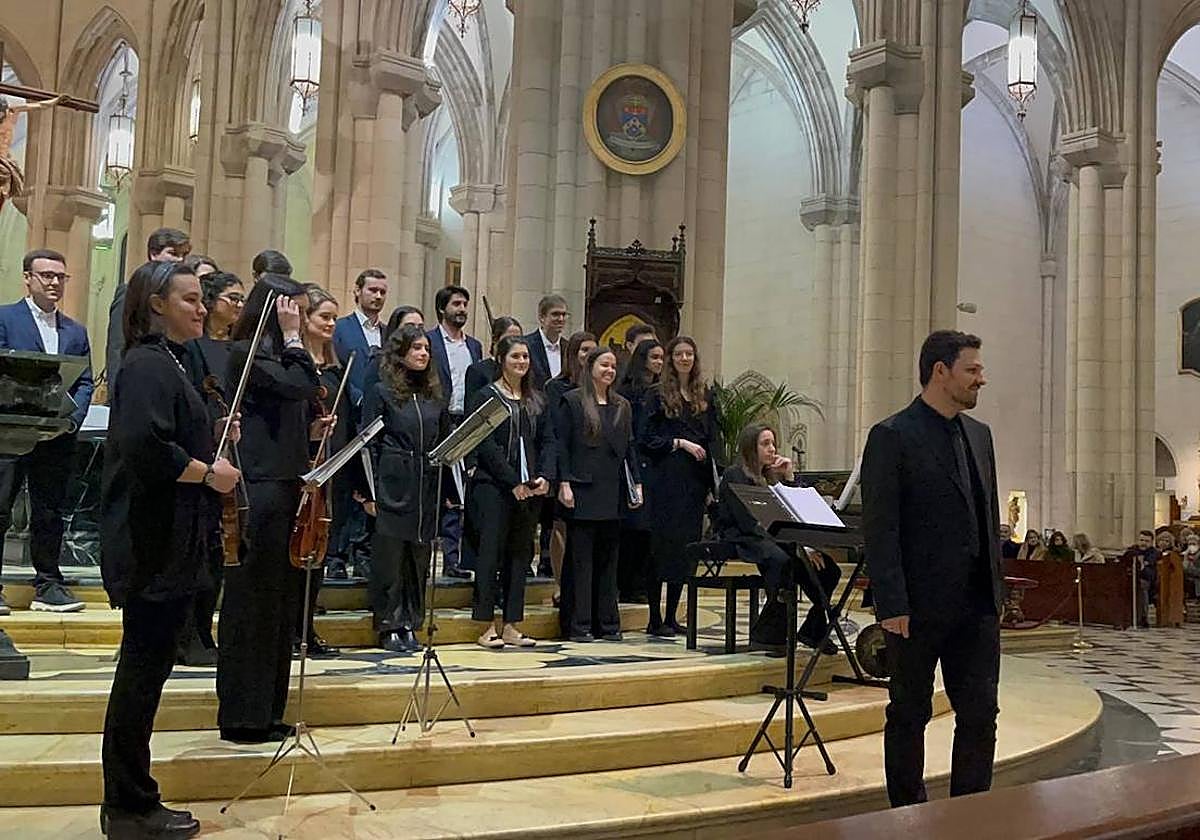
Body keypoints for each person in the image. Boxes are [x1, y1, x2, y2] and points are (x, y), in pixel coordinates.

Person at [99, 259, 239, 840]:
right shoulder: (147, 364)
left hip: (170, 543)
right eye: (189, 300)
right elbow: (144, 446)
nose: (202, 308)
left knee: (147, 673)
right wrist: (209, 472)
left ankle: (134, 799)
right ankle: (129, 805)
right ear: (156, 304)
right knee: (139, 676)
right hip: (152, 545)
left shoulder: (171, 365)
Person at [862, 329, 1003, 809]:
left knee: (981, 714)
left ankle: (969, 813)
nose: (981, 379)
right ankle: (907, 814)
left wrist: (996, 594)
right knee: (908, 713)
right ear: (940, 372)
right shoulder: (892, 436)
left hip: (977, 606)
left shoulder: (980, 436)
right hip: (916, 608)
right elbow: (881, 528)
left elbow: (988, 517)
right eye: (973, 370)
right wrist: (891, 603)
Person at [216, 274, 325, 743]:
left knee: (280, 608)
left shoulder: (281, 360)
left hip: (287, 487)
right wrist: (298, 338)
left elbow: (299, 395)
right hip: (259, 492)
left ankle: (269, 711)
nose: (297, 319)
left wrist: (312, 434)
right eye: (292, 310)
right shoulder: (246, 356)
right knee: (252, 607)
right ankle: (242, 716)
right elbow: (301, 383)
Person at [0, 249, 93, 615]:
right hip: (10, 432)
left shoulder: (76, 330)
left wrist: (73, 419)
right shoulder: (5, 318)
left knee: (50, 512)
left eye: (60, 276)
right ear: (28, 278)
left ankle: (49, 585)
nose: (54, 283)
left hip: (56, 435)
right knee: (0, 509)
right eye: (46, 275)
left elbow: (84, 379)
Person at [711, 423, 841, 654]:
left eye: (773, 444)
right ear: (751, 447)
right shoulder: (735, 474)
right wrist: (797, 546)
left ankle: (814, 629)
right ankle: (770, 635)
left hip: (775, 537)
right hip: (744, 536)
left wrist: (789, 477)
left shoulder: (771, 478)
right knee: (782, 561)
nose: (772, 449)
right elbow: (749, 522)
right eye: (765, 444)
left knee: (829, 570)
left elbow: (793, 513)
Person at [175, 270, 246, 666]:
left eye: (241, 300)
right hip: (204, 455)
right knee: (200, 548)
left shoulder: (239, 348)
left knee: (222, 550)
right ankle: (188, 634)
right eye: (231, 298)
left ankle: (205, 629)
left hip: (233, 452)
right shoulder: (194, 349)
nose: (237, 306)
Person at [363, 324, 449, 652]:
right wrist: (369, 490)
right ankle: (388, 624)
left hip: (426, 483)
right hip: (392, 481)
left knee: (418, 557)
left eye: (426, 348)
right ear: (400, 353)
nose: (423, 354)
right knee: (390, 557)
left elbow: (443, 439)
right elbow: (367, 443)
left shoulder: (433, 395)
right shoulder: (381, 391)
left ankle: (412, 622)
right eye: (416, 348)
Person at [467, 335, 555, 649]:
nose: (521, 362)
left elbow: (547, 441)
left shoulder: (537, 398)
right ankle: (487, 624)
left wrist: (544, 476)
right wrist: (511, 482)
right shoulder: (485, 396)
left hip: (531, 488)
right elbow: (486, 445)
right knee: (490, 554)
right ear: (501, 360)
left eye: (525, 357)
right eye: (515, 356)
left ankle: (512, 624)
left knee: (521, 555)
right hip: (494, 486)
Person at [556, 346, 642, 642]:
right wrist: (564, 483)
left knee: (608, 561)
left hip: (612, 490)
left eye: (613, 366)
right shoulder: (572, 401)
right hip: (582, 489)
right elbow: (562, 446)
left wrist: (637, 484)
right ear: (590, 367)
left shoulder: (622, 405)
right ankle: (578, 625)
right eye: (604, 365)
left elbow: (629, 449)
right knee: (581, 562)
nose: (609, 370)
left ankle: (607, 624)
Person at [639, 337, 718, 636]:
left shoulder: (704, 395)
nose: (684, 358)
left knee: (684, 552)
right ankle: (654, 617)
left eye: (689, 354)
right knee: (661, 549)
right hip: (666, 481)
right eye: (679, 354)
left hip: (693, 485)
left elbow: (711, 443)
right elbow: (645, 438)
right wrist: (679, 443)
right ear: (671, 359)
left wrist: (711, 485)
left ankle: (672, 615)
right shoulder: (656, 395)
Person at [295, 284, 354, 658]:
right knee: (298, 551)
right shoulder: (298, 366)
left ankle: (307, 627)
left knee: (319, 552)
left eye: (334, 317)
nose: (332, 324)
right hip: (303, 466)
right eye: (325, 317)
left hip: (333, 466)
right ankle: (291, 628)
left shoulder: (335, 367)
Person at [426, 285, 483, 579]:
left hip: (468, 420)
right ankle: (431, 553)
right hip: (441, 420)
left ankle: (454, 559)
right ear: (442, 309)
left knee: (463, 492)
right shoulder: (429, 341)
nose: (462, 309)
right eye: (456, 304)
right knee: (442, 490)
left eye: (465, 304)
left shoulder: (474, 346)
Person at [545, 331, 598, 601]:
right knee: (560, 525)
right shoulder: (557, 387)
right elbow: (554, 429)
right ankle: (559, 584)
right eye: (584, 350)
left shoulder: (600, 387)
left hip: (591, 467)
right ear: (574, 354)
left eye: (593, 350)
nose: (588, 355)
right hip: (563, 462)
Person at [106, 228, 191, 393]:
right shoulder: (131, 290)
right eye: (173, 253)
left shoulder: (175, 294)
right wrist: (115, 392)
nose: (180, 260)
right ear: (153, 254)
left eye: (183, 255)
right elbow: (117, 345)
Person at [616, 339, 663, 604]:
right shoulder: (629, 391)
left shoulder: (661, 391)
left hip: (655, 465)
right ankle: (627, 584)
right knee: (632, 528)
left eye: (661, 358)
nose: (658, 363)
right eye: (654, 357)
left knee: (648, 531)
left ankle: (642, 584)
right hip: (634, 462)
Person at [332, 268, 388, 404]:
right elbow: (335, 370)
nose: (378, 296)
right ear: (358, 291)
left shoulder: (389, 332)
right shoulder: (339, 328)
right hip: (350, 408)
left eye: (383, 292)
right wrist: (358, 398)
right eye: (373, 290)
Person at [466, 316, 522, 398]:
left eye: (518, 339)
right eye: (509, 338)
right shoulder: (478, 370)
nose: (514, 343)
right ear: (495, 339)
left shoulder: (521, 370)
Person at [524, 294, 569, 390]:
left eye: (564, 314)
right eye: (555, 314)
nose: (561, 319)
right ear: (541, 317)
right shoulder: (526, 345)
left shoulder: (568, 347)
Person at [1125, 529, 1159, 628]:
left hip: (1148, 580)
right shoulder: (1132, 550)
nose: (1143, 543)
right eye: (1141, 540)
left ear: (1152, 542)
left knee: (1142, 586)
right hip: (1131, 578)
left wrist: (1143, 565)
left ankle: (1143, 617)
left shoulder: (1154, 553)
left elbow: (1148, 567)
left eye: (1146, 541)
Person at [1155, 529, 1185, 627]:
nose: (1163, 543)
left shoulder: (1173, 554)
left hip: (1170, 582)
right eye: (1161, 540)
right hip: (1159, 580)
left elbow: (1176, 569)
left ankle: (1171, 620)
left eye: (1167, 541)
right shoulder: (1156, 553)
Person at [1182, 532, 1200, 598]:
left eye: (1194, 544)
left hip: (1197, 583)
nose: (1191, 546)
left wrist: (1188, 567)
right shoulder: (1184, 555)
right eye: (1189, 544)